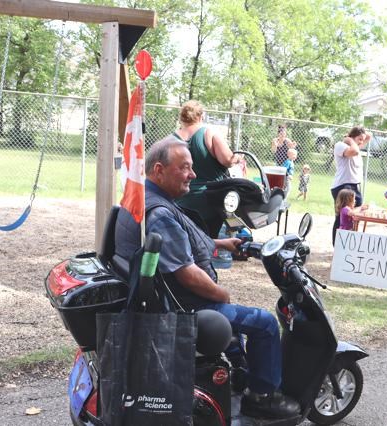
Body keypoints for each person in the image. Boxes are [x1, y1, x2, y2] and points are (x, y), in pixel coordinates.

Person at [116, 136, 300, 419]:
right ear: (159, 170)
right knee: (263, 323)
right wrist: (220, 293)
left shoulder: (143, 198)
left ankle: (238, 375)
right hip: (185, 307)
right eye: (185, 168)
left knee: (239, 323)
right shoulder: (161, 214)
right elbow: (187, 274)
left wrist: (220, 244)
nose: (193, 174)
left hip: (166, 298)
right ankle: (262, 398)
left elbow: (177, 243)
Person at [174, 100, 242, 238]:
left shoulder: (172, 139)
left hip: (179, 201)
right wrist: (237, 158)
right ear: (201, 116)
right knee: (208, 242)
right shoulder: (208, 133)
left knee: (185, 242)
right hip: (209, 201)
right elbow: (227, 160)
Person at [330, 126, 372, 244]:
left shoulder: (356, 145)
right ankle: (337, 246)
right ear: (352, 138)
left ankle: (349, 245)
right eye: (359, 139)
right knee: (342, 218)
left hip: (355, 186)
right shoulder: (341, 145)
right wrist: (349, 140)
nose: (362, 142)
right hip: (343, 186)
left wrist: (358, 135)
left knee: (355, 217)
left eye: (362, 140)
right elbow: (354, 152)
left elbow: (370, 136)